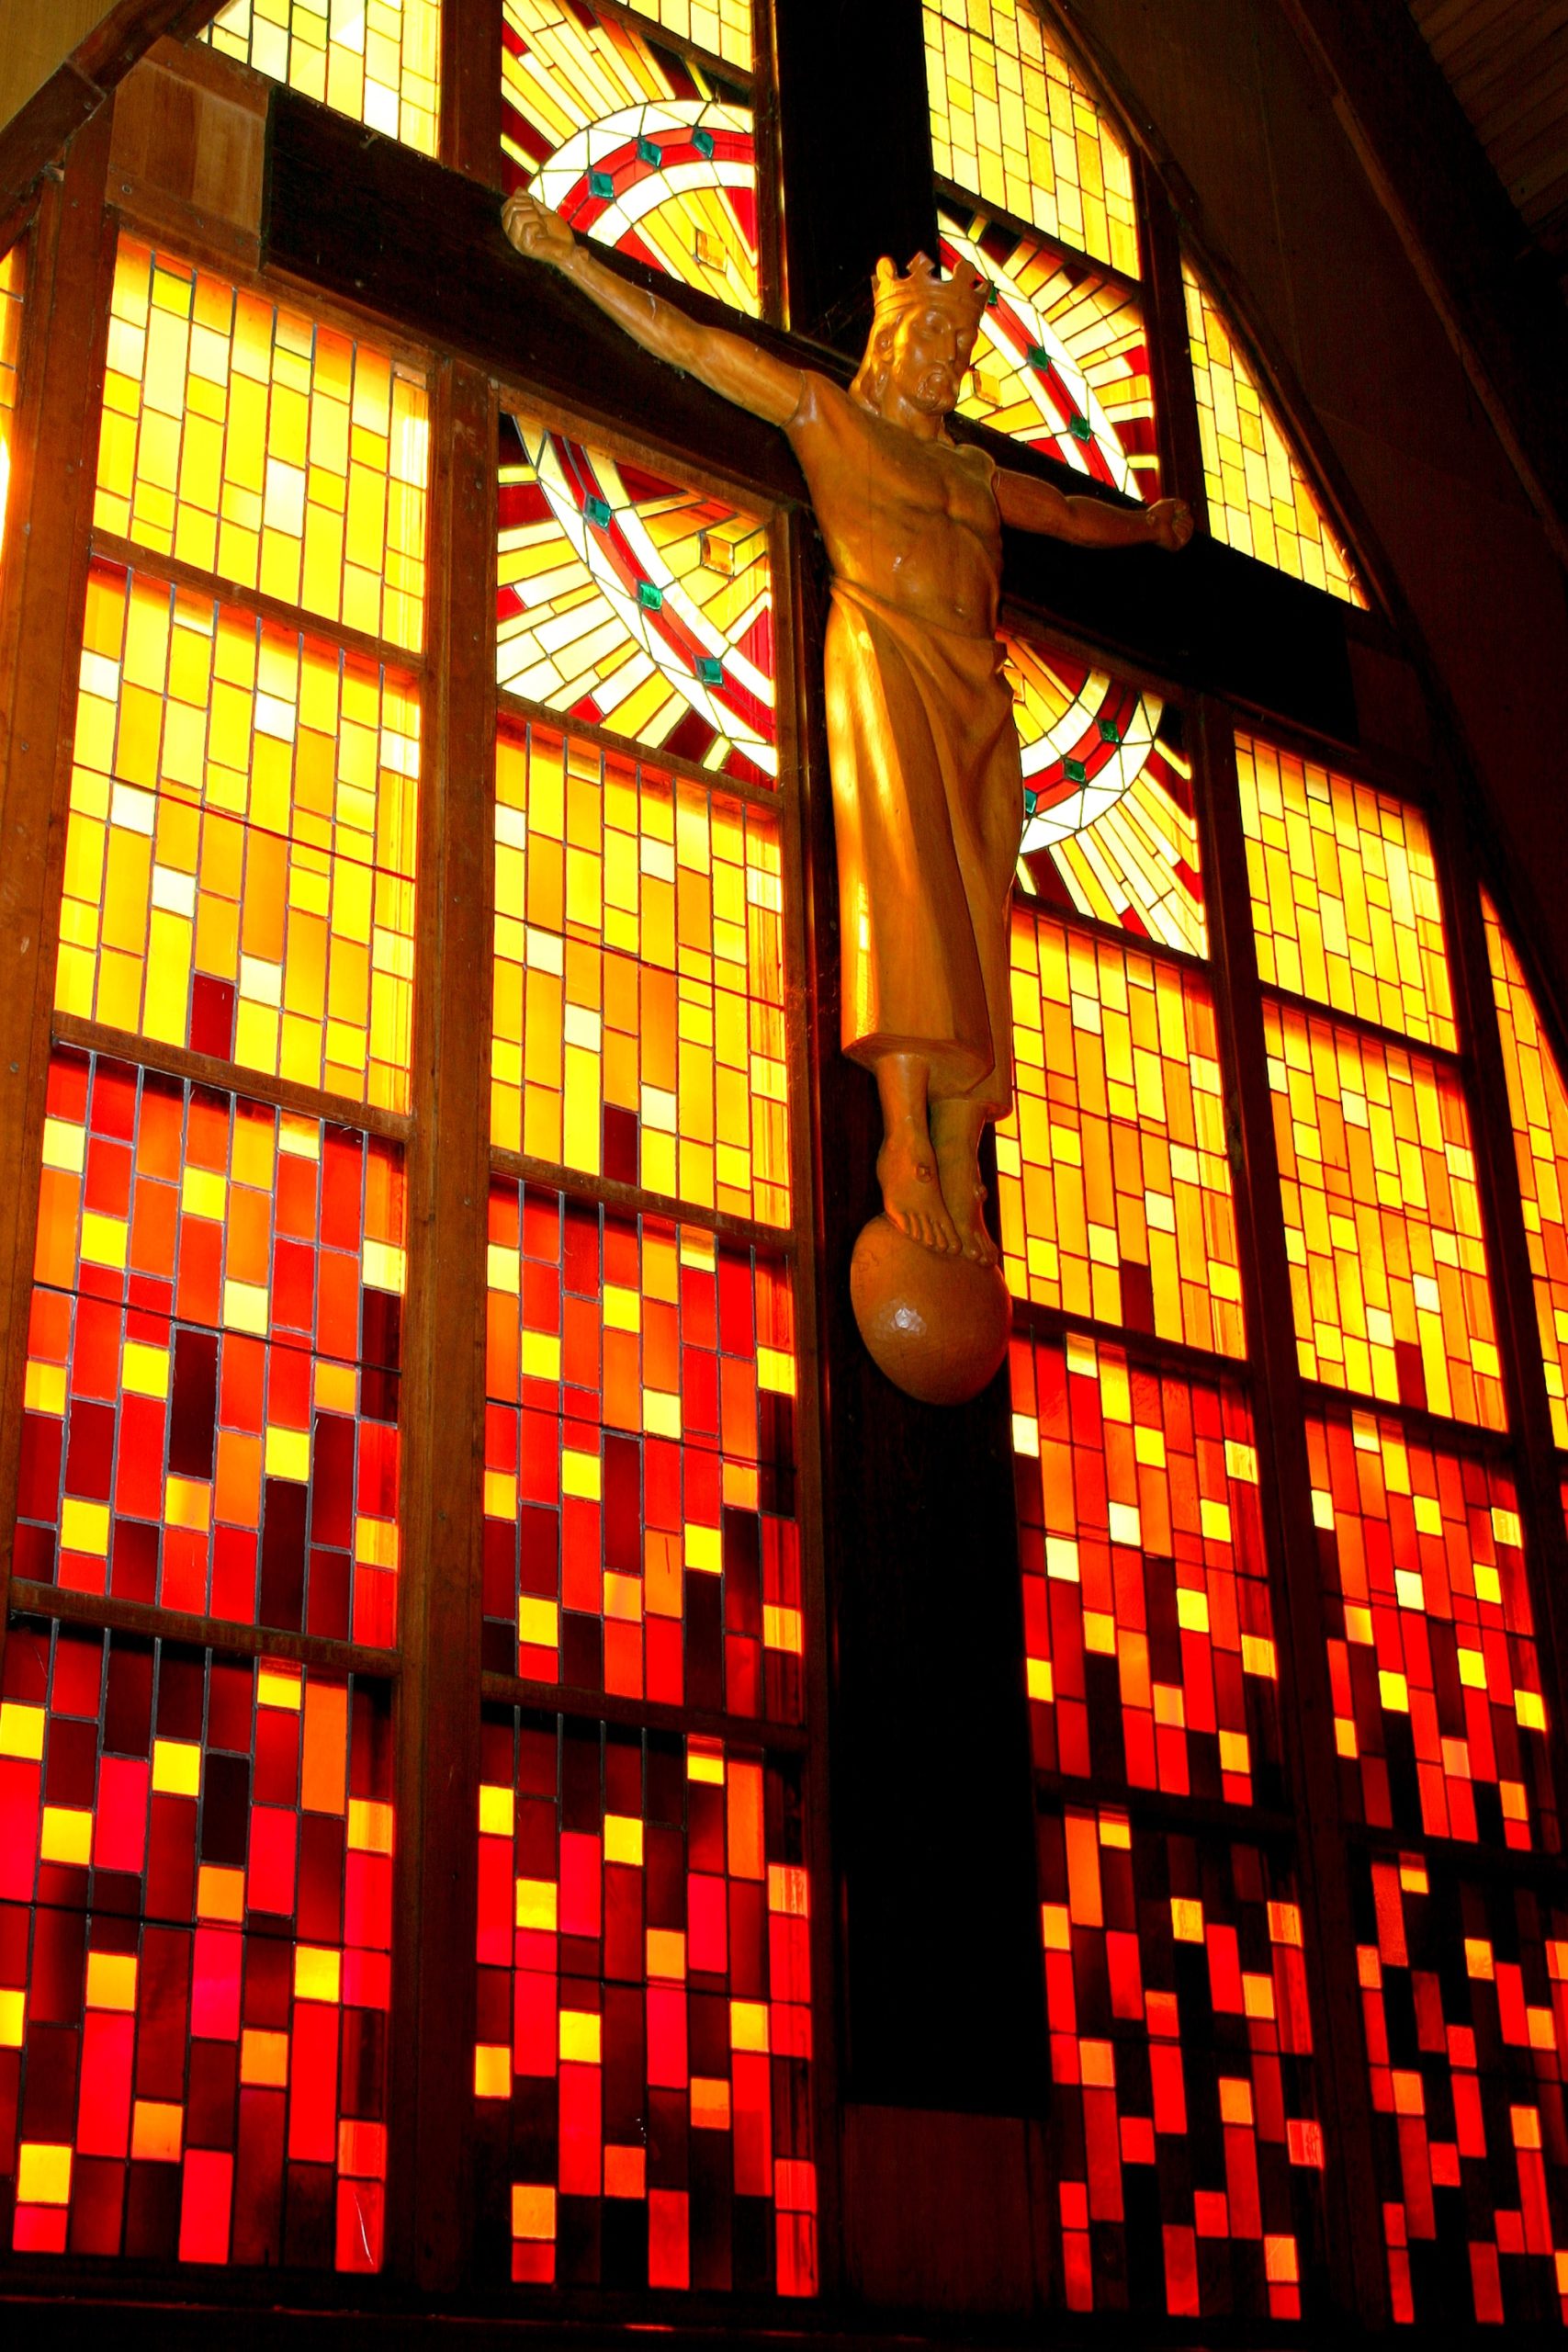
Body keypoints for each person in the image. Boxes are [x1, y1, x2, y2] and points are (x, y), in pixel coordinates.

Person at [502, 195, 1194, 1263]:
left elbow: (1062, 514)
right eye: (932, 339)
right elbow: (697, 347)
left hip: (978, 697)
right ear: (888, 343)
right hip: (885, 657)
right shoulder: (831, 417)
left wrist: (1143, 528)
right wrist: (574, 260)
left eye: (961, 347)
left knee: (978, 908)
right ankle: (905, 1135)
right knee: (905, 883)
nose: (948, 362)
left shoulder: (974, 472)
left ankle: (963, 1135)